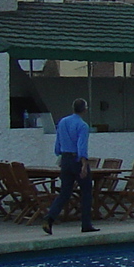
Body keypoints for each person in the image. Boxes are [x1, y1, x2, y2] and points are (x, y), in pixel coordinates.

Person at [43, 97, 99, 235]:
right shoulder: (82, 125)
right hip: (76, 159)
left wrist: (60, 154)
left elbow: (58, 143)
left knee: (65, 192)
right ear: (85, 109)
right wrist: (84, 165)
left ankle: (50, 217)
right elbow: (82, 146)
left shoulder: (63, 122)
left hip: (65, 159)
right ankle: (86, 223)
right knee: (86, 191)